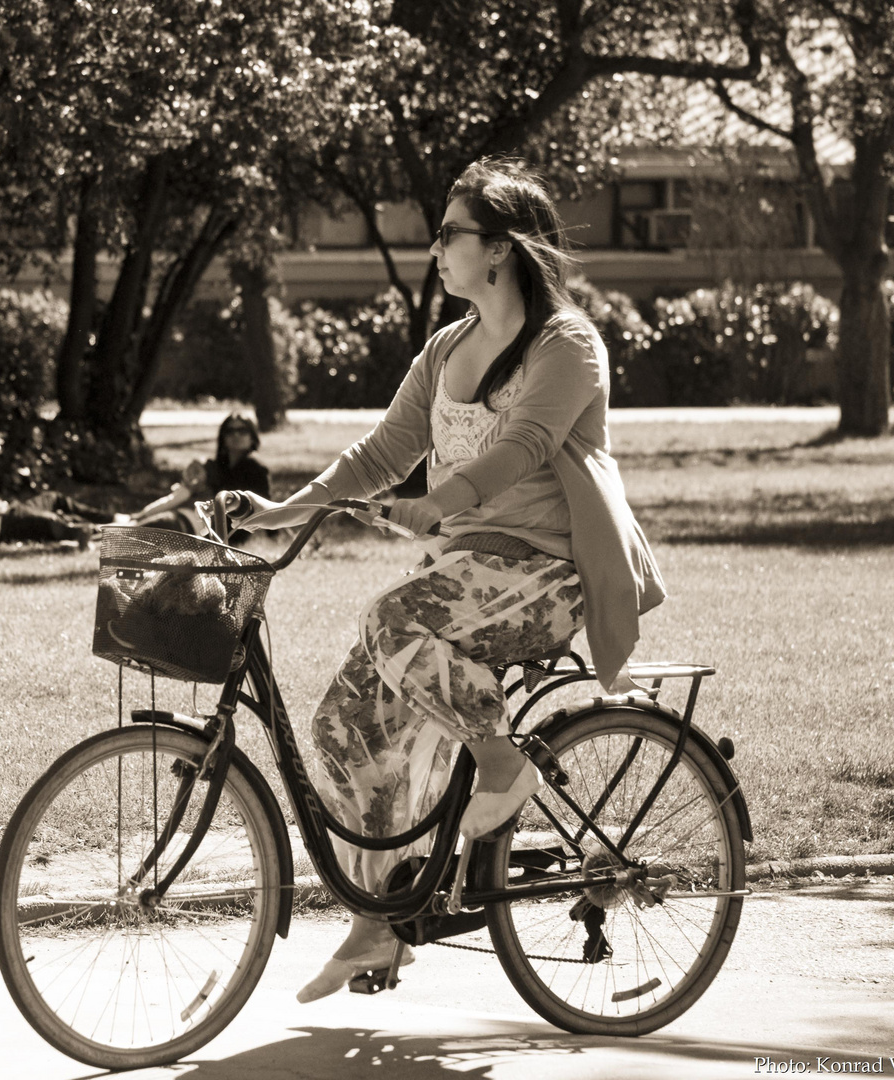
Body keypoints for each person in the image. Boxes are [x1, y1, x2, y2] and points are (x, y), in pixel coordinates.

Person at [230, 158, 666, 1003]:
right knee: (341, 727)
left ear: (499, 249)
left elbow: (526, 446)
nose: (434, 248)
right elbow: (381, 453)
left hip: (552, 573)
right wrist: (284, 511)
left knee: (390, 616)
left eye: (449, 233)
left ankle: (503, 767)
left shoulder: (567, 344)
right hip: (467, 573)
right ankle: (377, 927)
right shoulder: (448, 348)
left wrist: (440, 504)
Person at [127, 413, 270, 542]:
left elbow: (265, 507)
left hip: (221, 531)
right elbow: (179, 496)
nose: (236, 435)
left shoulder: (256, 468)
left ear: (252, 436)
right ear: (223, 437)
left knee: (151, 527)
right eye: (230, 431)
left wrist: (273, 534)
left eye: (242, 431)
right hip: (196, 522)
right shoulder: (213, 466)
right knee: (146, 527)